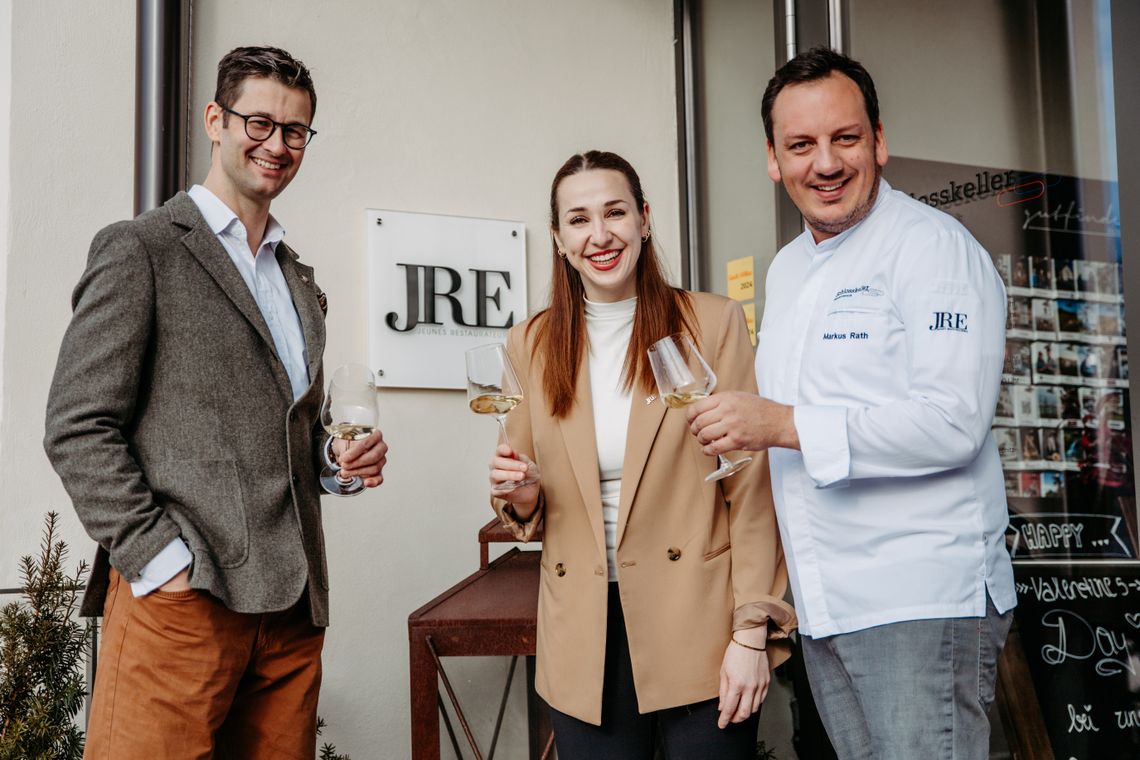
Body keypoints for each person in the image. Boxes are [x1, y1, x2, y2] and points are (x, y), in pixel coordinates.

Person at [43, 46, 388, 759]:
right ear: (216, 121)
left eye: (296, 131)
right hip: (183, 605)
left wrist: (332, 457)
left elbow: (282, 428)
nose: (277, 145)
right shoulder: (141, 250)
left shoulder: (298, 280)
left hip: (292, 615)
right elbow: (77, 426)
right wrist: (159, 563)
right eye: (259, 122)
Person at [686, 47, 1016, 760]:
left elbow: (952, 422)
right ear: (773, 160)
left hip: (920, 596)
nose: (825, 164)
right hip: (826, 601)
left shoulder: (933, 249)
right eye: (801, 145)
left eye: (845, 138)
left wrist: (777, 424)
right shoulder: (790, 266)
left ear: (879, 142)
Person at [487, 150, 795, 759]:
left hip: (700, 624)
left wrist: (751, 631)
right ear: (558, 237)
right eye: (578, 220)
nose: (599, 235)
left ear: (644, 219)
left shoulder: (711, 322)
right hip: (584, 633)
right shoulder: (532, 342)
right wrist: (520, 495)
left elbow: (751, 487)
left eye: (615, 212)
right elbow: (524, 494)